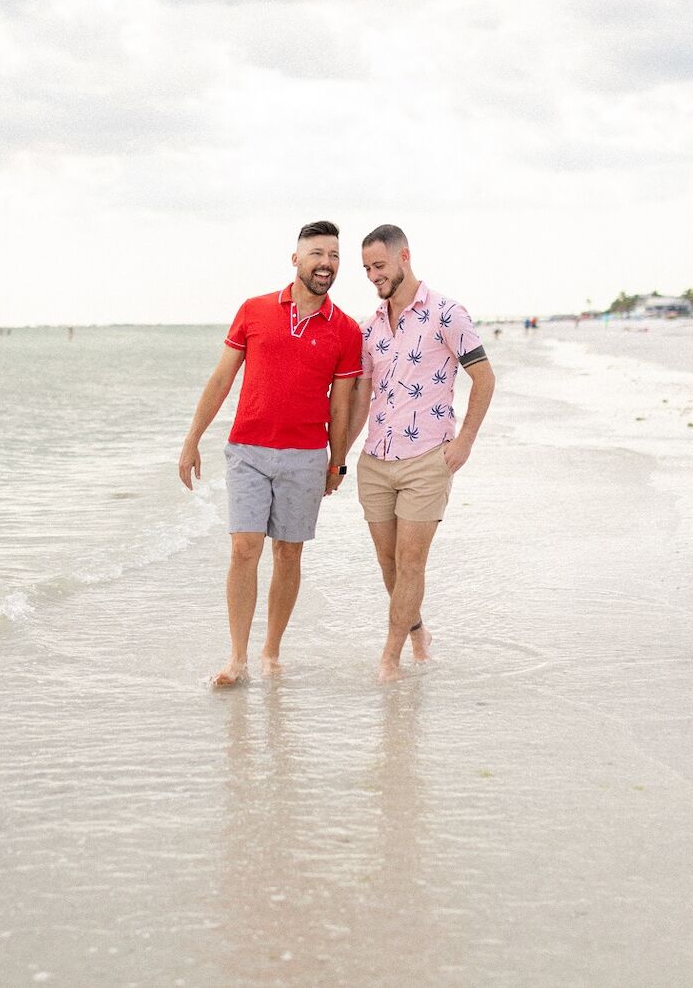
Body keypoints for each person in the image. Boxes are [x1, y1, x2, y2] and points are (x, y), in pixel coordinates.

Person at [179, 221, 362, 686]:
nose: (326, 263)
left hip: (305, 455)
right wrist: (192, 439)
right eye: (317, 253)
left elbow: (340, 404)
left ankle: (271, 652)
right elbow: (222, 378)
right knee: (244, 548)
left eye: (335, 255)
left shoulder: (344, 330)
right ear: (295, 259)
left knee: (288, 553)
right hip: (248, 450)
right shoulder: (255, 310)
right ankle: (237, 658)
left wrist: (337, 460)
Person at [347, 225, 496, 683]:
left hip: (427, 460)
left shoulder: (447, 314)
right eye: (367, 269)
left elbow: (484, 379)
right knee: (389, 565)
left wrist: (465, 441)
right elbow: (361, 400)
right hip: (375, 461)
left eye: (380, 266)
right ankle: (417, 634)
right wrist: (337, 457)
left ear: (404, 257)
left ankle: (390, 658)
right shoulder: (370, 327)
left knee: (412, 563)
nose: (373, 276)